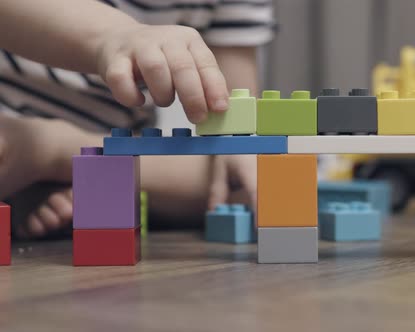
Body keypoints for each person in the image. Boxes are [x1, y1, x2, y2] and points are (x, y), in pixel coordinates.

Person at [0, 0, 274, 237]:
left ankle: (59, 163)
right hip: (9, 129)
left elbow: (239, 144)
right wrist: (114, 36)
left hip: (109, 152)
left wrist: (52, 152)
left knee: (241, 175)